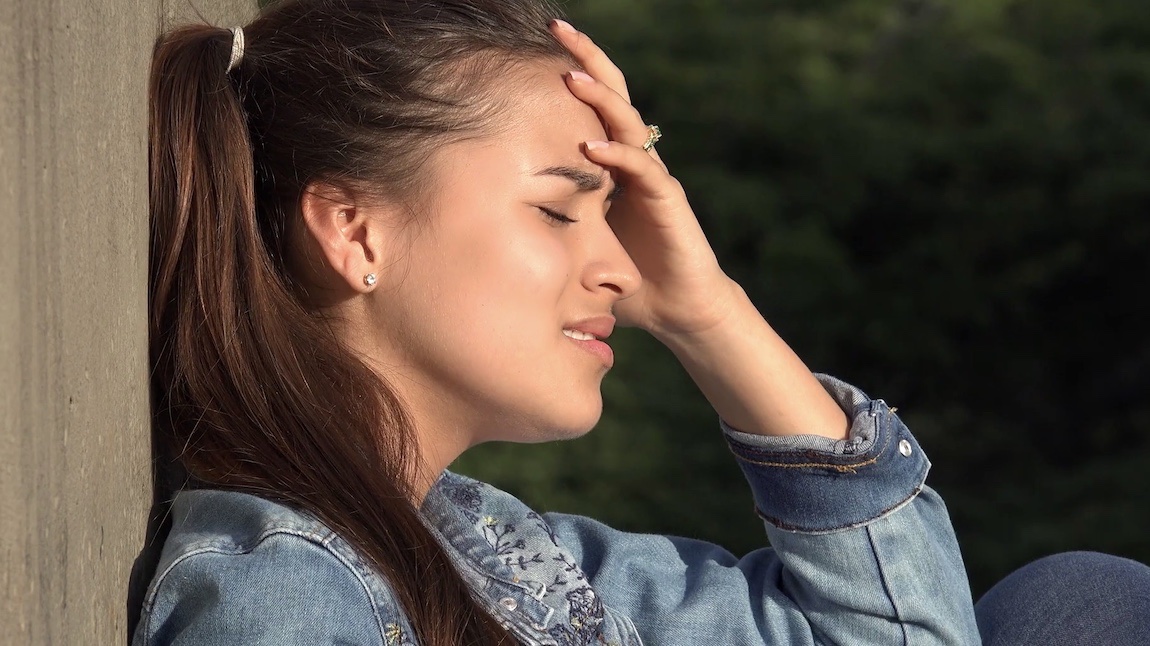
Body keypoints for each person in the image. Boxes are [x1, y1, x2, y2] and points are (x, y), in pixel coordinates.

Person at [133, 1, 1150, 644]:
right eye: (557, 209)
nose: (620, 270)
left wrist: (708, 309)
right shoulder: (286, 592)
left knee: (1080, 601)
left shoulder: (498, 550)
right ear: (356, 231)